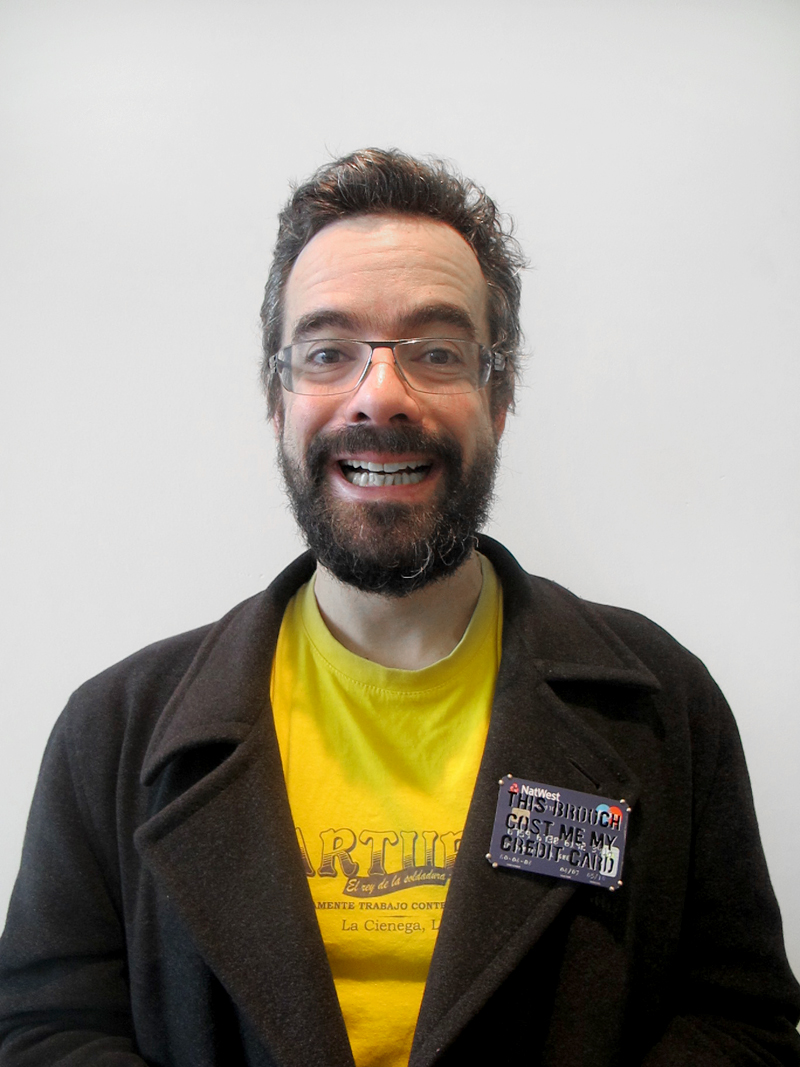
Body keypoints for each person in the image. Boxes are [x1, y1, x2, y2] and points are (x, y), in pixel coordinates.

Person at [0, 148, 798, 1067]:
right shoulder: (114, 732)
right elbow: (45, 1029)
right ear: (277, 400)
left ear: (500, 398)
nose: (380, 395)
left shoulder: (663, 705)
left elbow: (741, 1021)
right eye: (328, 353)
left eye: (437, 353)